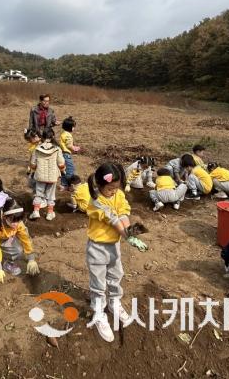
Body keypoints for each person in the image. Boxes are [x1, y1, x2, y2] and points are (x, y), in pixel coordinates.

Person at [85, 163, 145, 343]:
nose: (113, 192)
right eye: (110, 188)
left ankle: (114, 302)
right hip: (97, 247)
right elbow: (113, 219)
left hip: (113, 245)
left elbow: (123, 214)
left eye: (116, 188)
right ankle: (98, 312)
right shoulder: (96, 201)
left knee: (116, 274)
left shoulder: (118, 194)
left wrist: (131, 232)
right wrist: (127, 236)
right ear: (99, 185)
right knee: (98, 281)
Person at [0, 199, 40, 296]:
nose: (16, 224)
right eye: (13, 221)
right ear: (5, 216)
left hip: (6, 236)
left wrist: (31, 258)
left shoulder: (18, 223)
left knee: (18, 250)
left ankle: (8, 264)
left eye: (18, 220)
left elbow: (26, 239)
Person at [29, 129, 65, 221]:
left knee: (38, 193)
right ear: (53, 136)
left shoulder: (37, 148)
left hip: (40, 176)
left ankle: (36, 211)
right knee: (50, 195)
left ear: (43, 137)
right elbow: (61, 163)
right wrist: (63, 170)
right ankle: (50, 213)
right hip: (52, 176)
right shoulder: (57, 149)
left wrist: (34, 169)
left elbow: (32, 164)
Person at [59, 116, 81, 189]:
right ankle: (69, 185)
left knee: (64, 169)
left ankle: (63, 184)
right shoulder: (68, 135)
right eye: (73, 127)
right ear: (70, 127)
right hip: (66, 155)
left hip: (62, 154)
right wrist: (74, 148)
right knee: (70, 169)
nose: (74, 128)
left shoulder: (63, 134)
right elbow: (68, 145)